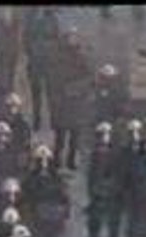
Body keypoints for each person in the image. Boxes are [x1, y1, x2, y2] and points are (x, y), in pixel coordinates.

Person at [48, 28, 92, 171]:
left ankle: (71, 160)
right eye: (69, 37)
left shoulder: (81, 57)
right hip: (61, 101)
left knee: (75, 135)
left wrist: (76, 88)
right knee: (60, 135)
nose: (71, 40)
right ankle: (57, 160)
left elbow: (88, 78)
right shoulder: (57, 57)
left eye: (73, 38)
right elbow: (52, 78)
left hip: (76, 102)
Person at [23, 144, 69, 237]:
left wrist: (64, 214)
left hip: (53, 216)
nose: (44, 164)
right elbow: (27, 196)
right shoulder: (31, 178)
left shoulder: (56, 178)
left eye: (46, 160)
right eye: (40, 160)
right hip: (37, 215)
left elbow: (64, 197)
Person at [84, 122, 125, 237]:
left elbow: (120, 175)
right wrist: (93, 191)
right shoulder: (94, 154)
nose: (103, 138)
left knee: (113, 229)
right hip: (97, 196)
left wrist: (113, 188)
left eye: (105, 134)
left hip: (113, 197)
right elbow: (90, 176)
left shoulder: (117, 154)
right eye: (100, 135)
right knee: (94, 228)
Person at [22, 8, 59, 132]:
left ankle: (54, 120)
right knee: (36, 92)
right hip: (35, 60)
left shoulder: (52, 17)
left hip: (49, 61)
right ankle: (37, 119)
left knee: (51, 92)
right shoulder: (30, 16)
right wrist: (31, 52)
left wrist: (51, 53)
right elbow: (25, 37)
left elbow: (56, 37)